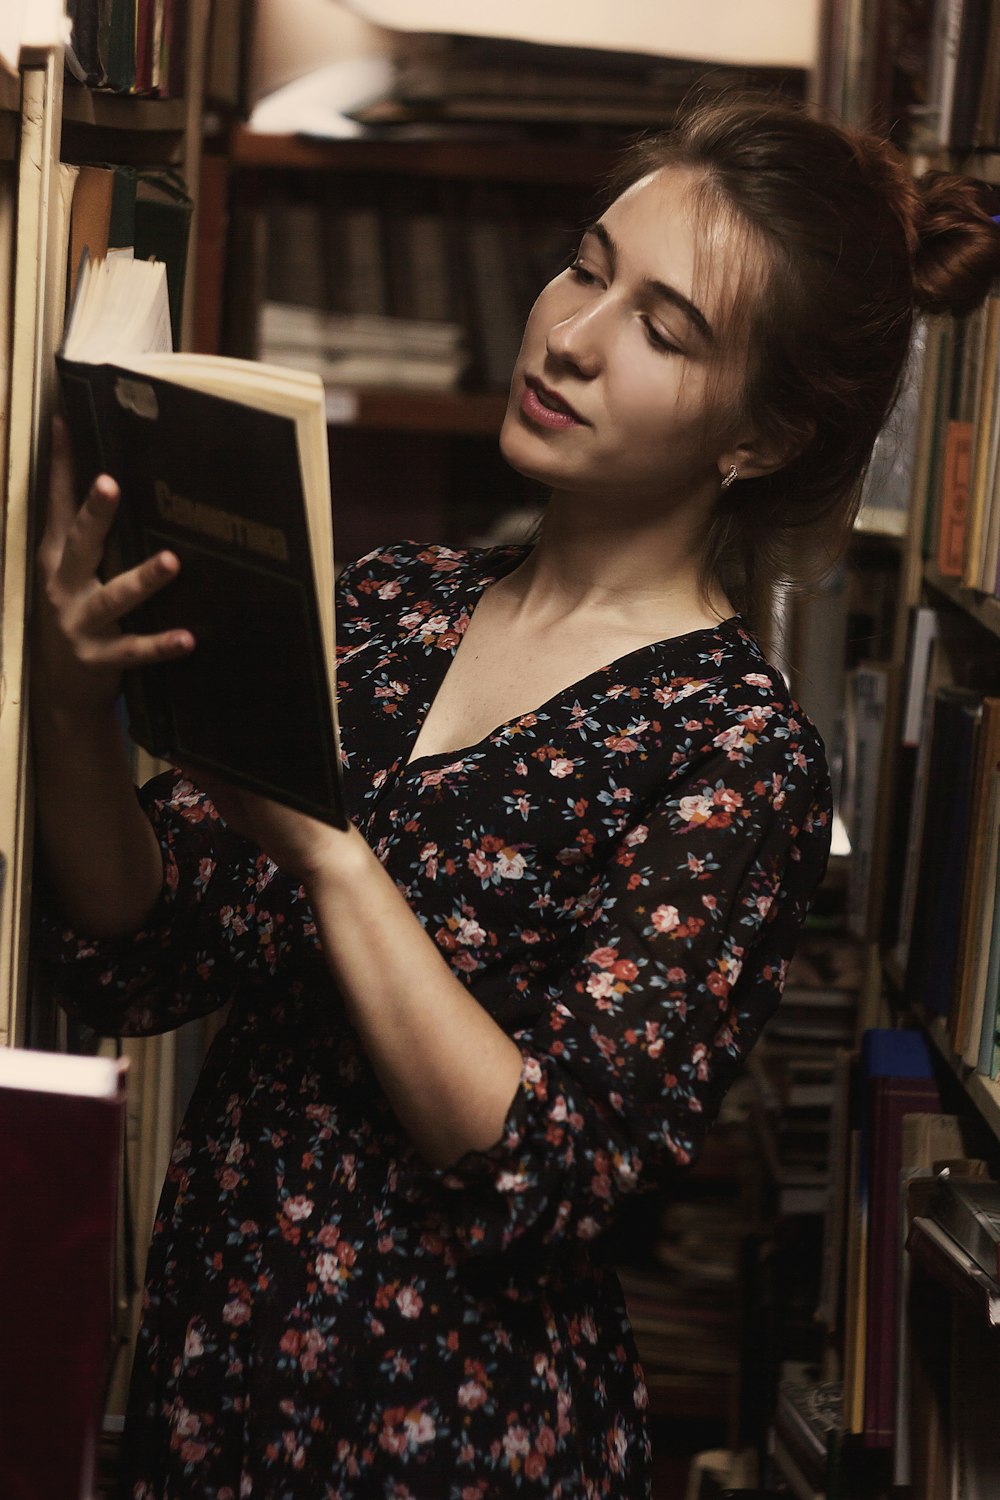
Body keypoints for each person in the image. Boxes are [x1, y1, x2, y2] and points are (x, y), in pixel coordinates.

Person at [34, 94, 1000, 1498]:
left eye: (664, 331)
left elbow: (542, 1170)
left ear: (761, 437)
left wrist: (335, 859)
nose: (573, 336)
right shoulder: (392, 605)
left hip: (461, 1443)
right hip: (209, 1390)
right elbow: (141, 947)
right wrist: (71, 703)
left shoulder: (735, 756)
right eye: (587, 265)